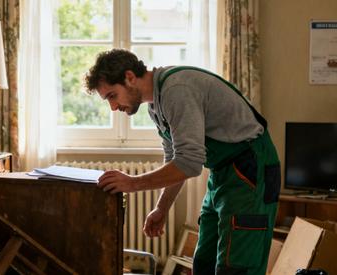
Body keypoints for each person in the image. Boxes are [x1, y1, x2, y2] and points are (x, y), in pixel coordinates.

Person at [86, 49, 281, 275]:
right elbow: (176, 160)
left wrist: (133, 183)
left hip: (251, 170)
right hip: (222, 172)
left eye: (112, 95)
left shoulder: (176, 90)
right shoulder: (155, 106)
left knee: (236, 266)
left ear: (129, 77)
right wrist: (161, 208)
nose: (113, 107)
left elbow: (189, 163)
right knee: (204, 262)